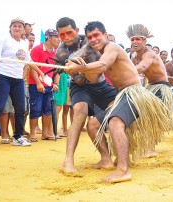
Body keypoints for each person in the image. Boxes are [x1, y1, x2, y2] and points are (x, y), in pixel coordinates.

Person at [64, 21, 171, 183]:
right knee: (93, 124)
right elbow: (94, 77)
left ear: (105, 35)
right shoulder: (98, 54)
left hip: (133, 93)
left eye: (96, 35)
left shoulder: (111, 47)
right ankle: (107, 160)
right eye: (89, 37)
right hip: (121, 95)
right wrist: (79, 65)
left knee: (115, 123)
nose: (93, 39)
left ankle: (123, 170)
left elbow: (103, 65)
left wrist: (80, 68)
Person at [55, 17, 117, 175]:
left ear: (76, 31)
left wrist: (75, 65)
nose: (66, 37)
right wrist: (77, 69)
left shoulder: (90, 41)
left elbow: (95, 74)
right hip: (81, 86)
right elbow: (81, 79)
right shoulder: (60, 51)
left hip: (101, 84)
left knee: (120, 109)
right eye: (62, 35)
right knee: (80, 111)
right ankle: (68, 160)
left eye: (69, 32)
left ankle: (107, 158)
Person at [0, 17, 44, 149]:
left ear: (23, 29)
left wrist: (41, 72)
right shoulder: (4, 40)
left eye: (20, 26)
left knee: (20, 109)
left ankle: (18, 136)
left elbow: (28, 61)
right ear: (10, 28)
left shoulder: (24, 43)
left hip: (18, 79)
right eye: (14, 26)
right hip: (3, 77)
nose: (17, 28)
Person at [128, 24, 173, 157]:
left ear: (145, 41)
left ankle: (151, 149)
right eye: (132, 40)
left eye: (138, 39)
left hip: (161, 87)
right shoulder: (134, 56)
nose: (135, 42)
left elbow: (142, 67)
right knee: (142, 116)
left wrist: (123, 71)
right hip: (150, 87)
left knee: (151, 117)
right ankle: (144, 146)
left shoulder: (149, 54)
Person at [28, 29, 60, 141]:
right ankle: (32, 134)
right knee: (35, 108)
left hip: (49, 84)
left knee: (48, 109)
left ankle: (45, 133)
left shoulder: (56, 52)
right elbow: (32, 67)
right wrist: (37, 83)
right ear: (49, 38)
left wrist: (56, 83)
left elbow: (57, 70)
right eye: (56, 37)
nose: (58, 39)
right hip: (35, 84)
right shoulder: (37, 49)